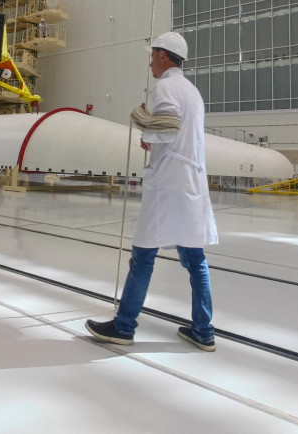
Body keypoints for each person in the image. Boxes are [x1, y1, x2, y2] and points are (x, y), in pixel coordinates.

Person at [86, 32, 219, 352]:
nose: (149, 62)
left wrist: (141, 118)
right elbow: (174, 131)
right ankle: (203, 330)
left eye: (152, 55)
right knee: (195, 258)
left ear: (163, 55)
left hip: (168, 183)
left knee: (144, 256)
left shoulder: (165, 87)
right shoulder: (192, 91)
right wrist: (152, 134)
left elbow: (168, 127)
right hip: (190, 183)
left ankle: (123, 326)